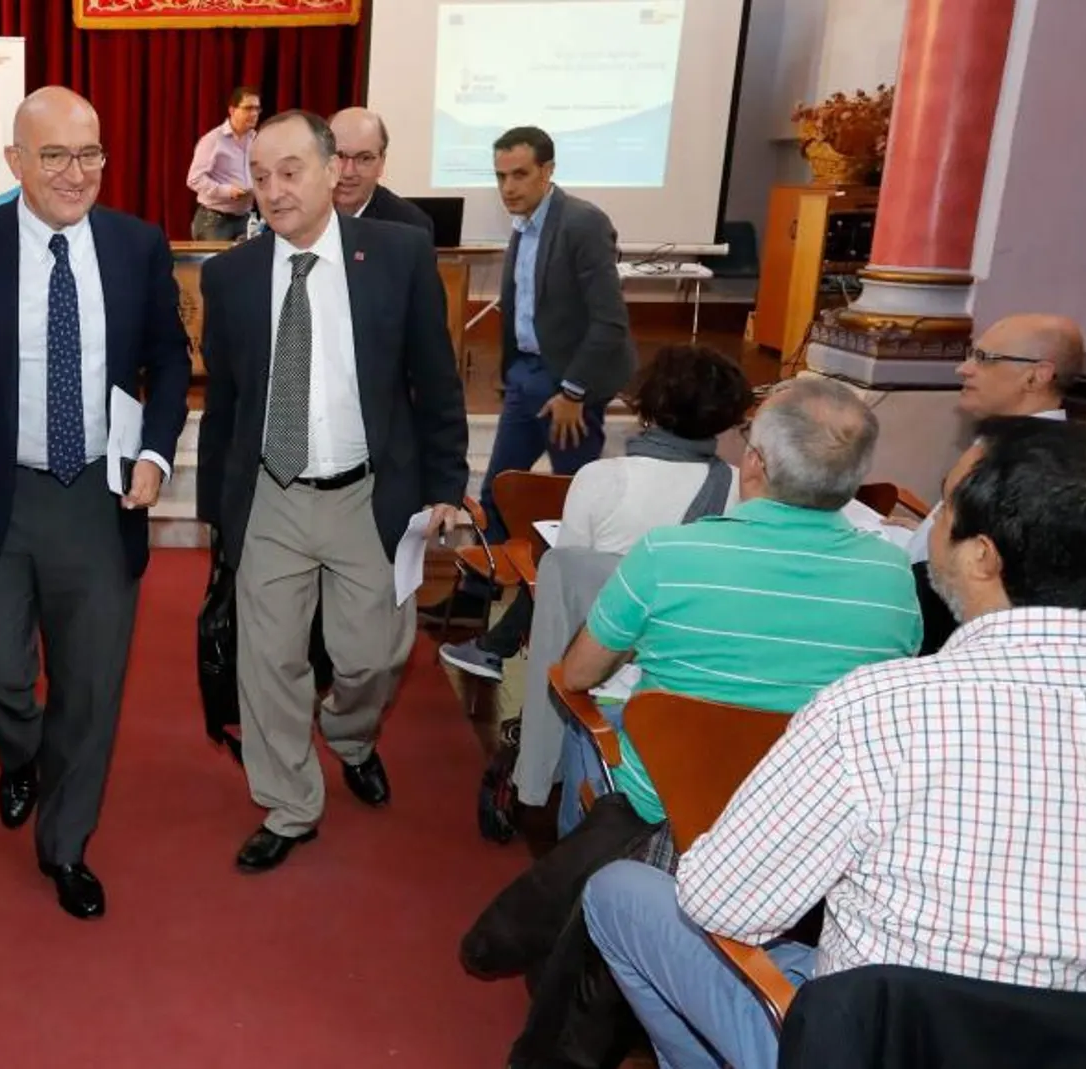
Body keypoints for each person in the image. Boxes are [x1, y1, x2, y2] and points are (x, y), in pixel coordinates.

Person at [581, 418, 1086, 1069]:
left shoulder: (880, 708)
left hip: (877, 1045)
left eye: (946, 505)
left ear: (982, 555)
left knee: (623, 890)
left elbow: (722, 902)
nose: (932, 526)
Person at [0, 86, 192, 919]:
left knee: (92, 687)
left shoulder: (136, 247)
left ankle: (65, 847)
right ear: (16, 162)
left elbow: (169, 362)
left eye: (89, 153)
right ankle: (24, 752)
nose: (75, 172)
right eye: (54, 155)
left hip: (97, 497)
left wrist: (158, 452)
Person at [196, 109, 469, 873]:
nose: (274, 190)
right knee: (268, 659)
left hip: (367, 492)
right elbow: (226, 402)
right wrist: (220, 514)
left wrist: (447, 481)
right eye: (259, 177)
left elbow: (434, 380)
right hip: (272, 492)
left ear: (331, 171)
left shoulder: (398, 255)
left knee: (374, 655)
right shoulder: (231, 275)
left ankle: (350, 736)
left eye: (289, 172)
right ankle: (291, 802)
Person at [554, 376, 921, 834]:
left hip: (668, 811)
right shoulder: (892, 572)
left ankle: (582, 885)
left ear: (754, 463)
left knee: (585, 718)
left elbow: (577, 675)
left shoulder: (666, 555)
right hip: (811, 819)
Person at [440, 344, 754, 682]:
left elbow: (567, 588)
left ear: (648, 407)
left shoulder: (602, 479)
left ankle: (495, 648)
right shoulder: (744, 488)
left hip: (602, 672)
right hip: (692, 672)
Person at [426, 126, 634, 625]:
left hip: (570, 391)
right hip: (527, 378)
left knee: (568, 505)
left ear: (547, 171)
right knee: (499, 489)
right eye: (500, 176)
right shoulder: (525, 225)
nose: (508, 187)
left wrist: (573, 391)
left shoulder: (583, 223)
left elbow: (610, 320)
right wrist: (513, 375)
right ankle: (476, 602)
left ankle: (548, 619)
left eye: (520, 174)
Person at [907, 314, 1081, 651]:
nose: (964, 368)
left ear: (1037, 375)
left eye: (984, 359)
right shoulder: (1014, 440)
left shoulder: (1030, 464)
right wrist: (927, 525)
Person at [327, 107, 434, 238]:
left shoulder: (411, 226)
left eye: (364, 158)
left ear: (382, 162)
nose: (348, 172)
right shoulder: (302, 214)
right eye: (340, 156)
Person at [187, 86, 261, 241]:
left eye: (257, 109)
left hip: (245, 219)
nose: (254, 113)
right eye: (248, 108)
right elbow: (194, 179)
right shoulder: (213, 140)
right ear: (232, 110)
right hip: (214, 220)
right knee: (218, 265)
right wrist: (227, 191)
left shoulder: (256, 139)